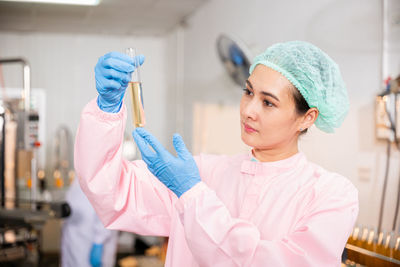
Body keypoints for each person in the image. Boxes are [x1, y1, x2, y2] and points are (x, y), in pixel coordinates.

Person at [74, 41, 359, 266]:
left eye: (268, 103)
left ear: (307, 118)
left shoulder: (331, 195)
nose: (248, 110)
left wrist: (193, 195)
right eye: (248, 92)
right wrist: (106, 110)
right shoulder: (204, 172)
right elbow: (111, 191)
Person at [61, 178, 118, 267]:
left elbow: (106, 213)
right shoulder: (79, 177)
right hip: (75, 243)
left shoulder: (103, 177)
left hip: (92, 245)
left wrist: (98, 243)